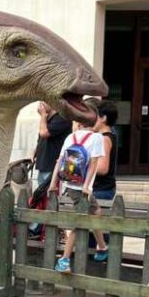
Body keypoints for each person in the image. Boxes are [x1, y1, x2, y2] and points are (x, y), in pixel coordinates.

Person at [48, 117, 105, 273]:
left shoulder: (71, 136)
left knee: (97, 212)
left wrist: (54, 183)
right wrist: (86, 186)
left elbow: (60, 161)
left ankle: (101, 247)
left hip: (69, 183)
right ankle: (64, 259)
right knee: (79, 223)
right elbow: (93, 164)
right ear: (96, 121)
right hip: (82, 188)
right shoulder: (97, 137)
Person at [87, 98, 118, 261]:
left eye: (94, 116)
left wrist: (84, 167)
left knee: (95, 230)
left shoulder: (104, 138)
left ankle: (100, 261)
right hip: (99, 189)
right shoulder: (101, 136)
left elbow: (103, 168)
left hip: (101, 189)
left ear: (103, 118)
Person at [33, 101, 71, 185]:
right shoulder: (48, 119)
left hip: (53, 166)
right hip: (43, 165)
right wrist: (35, 151)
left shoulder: (61, 118)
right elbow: (41, 137)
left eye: (44, 101)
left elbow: (44, 133)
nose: (41, 104)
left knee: (50, 195)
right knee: (41, 194)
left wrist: (43, 116)